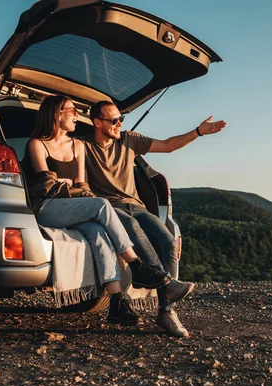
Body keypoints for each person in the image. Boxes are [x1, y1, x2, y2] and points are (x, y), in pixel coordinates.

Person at [23, 95, 190, 331]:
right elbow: (47, 184)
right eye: (71, 110)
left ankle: (116, 303)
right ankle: (137, 265)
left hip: (74, 206)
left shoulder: (77, 146)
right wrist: (75, 189)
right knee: (102, 205)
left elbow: (81, 185)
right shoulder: (37, 144)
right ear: (56, 114)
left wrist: (71, 186)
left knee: (99, 232)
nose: (75, 114)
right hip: (48, 207)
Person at [82, 100, 227, 337]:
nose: (119, 124)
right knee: (134, 229)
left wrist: (198, 132)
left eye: (121, 119)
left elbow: (168, 145)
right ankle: (167, 289)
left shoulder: (129, 139)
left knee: (169, 242)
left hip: (135, 205)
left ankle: (165, 310)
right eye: (114, 120)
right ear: (97, 123)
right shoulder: (83, 146)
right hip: (108, 207)